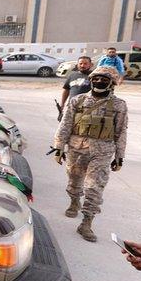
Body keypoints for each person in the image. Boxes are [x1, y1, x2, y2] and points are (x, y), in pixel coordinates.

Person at [52, 66, 128, 241]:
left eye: (104, 79)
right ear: (91, 80)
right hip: (76, 148)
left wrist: (120, 156)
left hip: (102, 152)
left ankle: (86, 222)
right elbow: (65, 124)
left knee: (94, 187)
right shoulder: (77, 101)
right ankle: (74, 201)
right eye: (96, 78)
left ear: (112, 83)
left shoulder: (119, 105)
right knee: (74, 179)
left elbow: (121, 131)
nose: (99, 81)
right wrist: (58, 147)